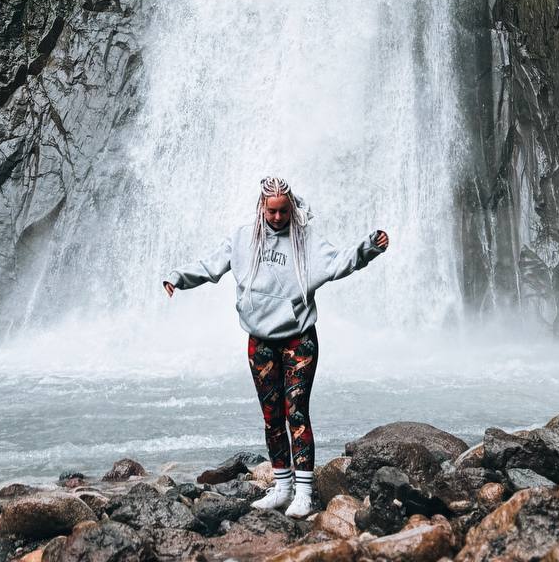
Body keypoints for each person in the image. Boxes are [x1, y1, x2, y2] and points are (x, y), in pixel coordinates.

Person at [162, 174, 389, 518]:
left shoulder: (305, 240)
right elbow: (211, 266)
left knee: (296, 413)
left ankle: (304, 492)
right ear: (261, 209)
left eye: (284, 211)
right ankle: (282, 487)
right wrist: (177, 277)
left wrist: (368, 247)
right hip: (261, 343)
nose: (278, 218)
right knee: (272, 418)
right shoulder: (243, 238)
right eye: (272, 212)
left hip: (298, 341)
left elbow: (340, 262)